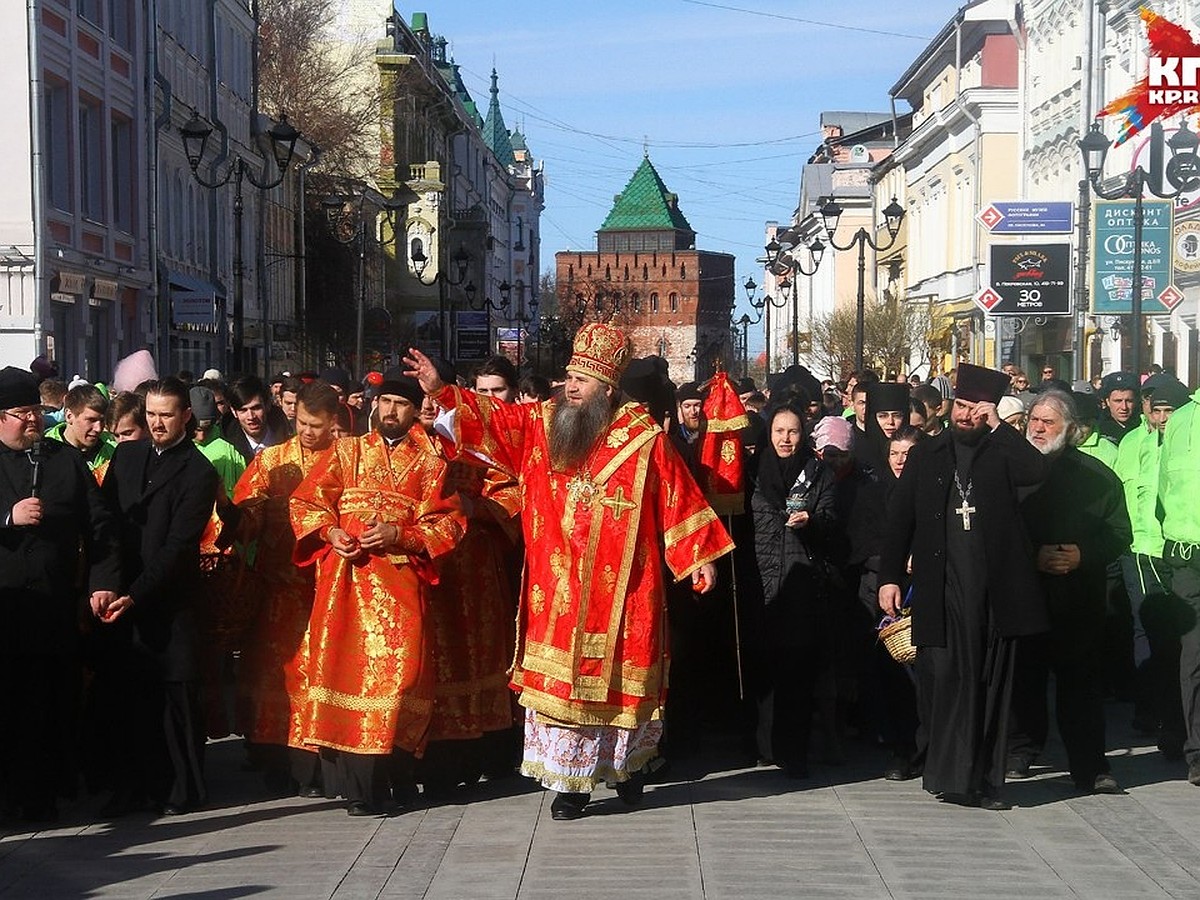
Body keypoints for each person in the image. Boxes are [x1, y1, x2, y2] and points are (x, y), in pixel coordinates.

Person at [403, 324, 732, 821]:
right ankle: (571, 787)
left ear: (607, 387)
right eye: (569, 376)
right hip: (558, 589)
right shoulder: (543, 423)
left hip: (626, 589)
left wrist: (698, 557)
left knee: (621, 688)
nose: (571, 386)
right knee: (562, 691)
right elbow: (495, 420)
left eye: (582, 379)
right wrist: (443, 391)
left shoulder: (643, 440)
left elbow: (677, 497)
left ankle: (628, 770)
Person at [288, 371, 466, 816]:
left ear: (414, 411)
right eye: (384, 401)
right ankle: (357, 791)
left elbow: (448, 523)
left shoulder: (431, 463)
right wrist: (330, 532)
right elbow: (306, 501)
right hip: (344, 586)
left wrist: (399, 534)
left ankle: (397, 782)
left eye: (400, 404)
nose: (390, 411)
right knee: (344, 675)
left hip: (399, 588)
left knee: (400, 681)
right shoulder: (346, 452)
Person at [879, 364, 1048, 810]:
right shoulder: (928, 455)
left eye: (976, 408)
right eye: (962, 406)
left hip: (995, 595)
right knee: (949, 682)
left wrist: (1000, 428)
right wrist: (890, 578)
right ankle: (949, 777)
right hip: (944, 589)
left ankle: (985, 782)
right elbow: (899, 521)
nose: (966, 415)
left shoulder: (1002, 453)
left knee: (990, 687)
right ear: (950, 406)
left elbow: (1036, 472)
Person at [94, 377, 220, 815]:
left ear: (186, 415)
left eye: (167, 415)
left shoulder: (198, 470)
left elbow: (180, 546)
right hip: (121, 595)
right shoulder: (127, 455)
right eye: (151, 414)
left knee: (174, 697)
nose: (158, 423)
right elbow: (106, 525)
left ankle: (179, 788)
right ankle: (129, 785)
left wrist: (136, 594)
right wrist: (105, 583)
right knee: (127, 696)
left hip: (168, 598)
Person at [0, 367, 119, 821]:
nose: (32, 421)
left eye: (35, 411)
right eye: (20, 414)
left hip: (53, 611)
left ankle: (47, 791)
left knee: (52, 702)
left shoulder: (62, 460)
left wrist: (102, 581)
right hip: (5, 610)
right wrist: (7, 518)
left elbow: (101, 525)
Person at [1007, 390, 1130, 794]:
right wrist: (1030, 555)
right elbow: (995, 531)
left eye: (1048, 422)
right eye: (1034, 420)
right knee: (1024, 676)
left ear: (1072, 430)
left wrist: (1083, 555)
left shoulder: (1097, 476)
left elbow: (1118, 534)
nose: (1038, 429)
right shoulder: (1011, 471)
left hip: (1079, 597)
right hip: (1027, 591)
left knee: (1080, 683)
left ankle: (1090, 765)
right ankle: (1021, 751)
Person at [233, 381, 340, 798]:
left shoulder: (346, 460)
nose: (308, 432)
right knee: (276, 677)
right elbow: (247, 514)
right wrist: (237, 515)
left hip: (328, 590)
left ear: (334, 423)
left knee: (321, 677)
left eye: (316, 425)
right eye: (301, 424)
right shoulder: (272, 461)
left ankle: (319, 765)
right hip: (278, 590)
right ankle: (277, 764)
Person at [749, 402, 837, 777]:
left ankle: (794, 752)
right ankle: (765, 747)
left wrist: (812, 521)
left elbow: (833, 519)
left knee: (798, 671)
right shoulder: (754, 471)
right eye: (779, 432)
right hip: (761, 581)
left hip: (802, 583)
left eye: (793, 432)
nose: (786, 439)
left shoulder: (819, 473)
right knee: (765, 670)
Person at [1157, 377, 1200, 785]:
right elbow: (1163, 491)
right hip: (1187, 553)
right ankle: (1198, 752)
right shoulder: (1183, 418)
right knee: (1194, 653)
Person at [45, 384, 116, 475]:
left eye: (102, 421)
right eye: (91, 420)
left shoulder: (113, 451)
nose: (98, 428)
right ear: (69, 416)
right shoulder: (46, 453)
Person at [225, 376, 285, 463]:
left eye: (256, 408)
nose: (251, 417)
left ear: (267, 405)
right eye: (243, 410)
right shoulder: (228, 451)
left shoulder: (288, 441)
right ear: (234, 412)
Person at [1096, 371, 1141, 446]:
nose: (1124, 407)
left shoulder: (1144, 426)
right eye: (1118, 401)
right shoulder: (1098, 429)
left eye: (1129, 401)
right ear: (1107, 401)